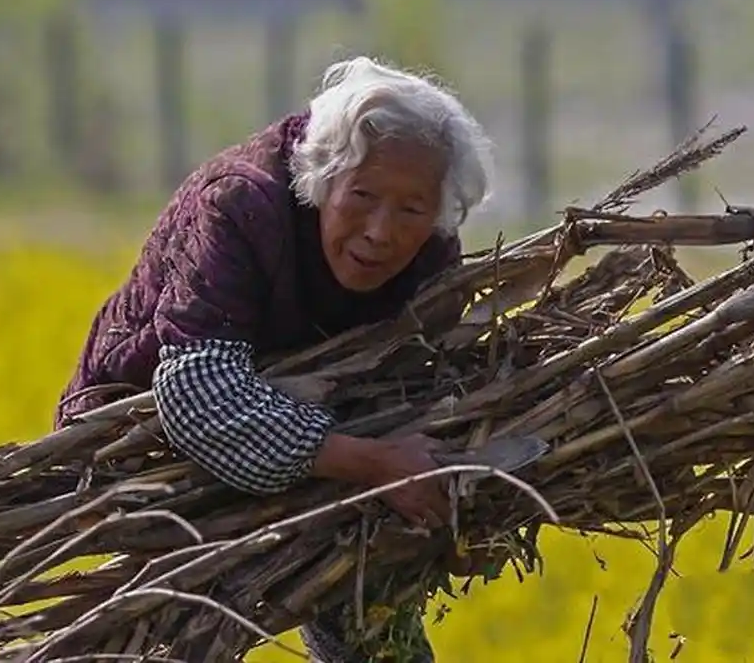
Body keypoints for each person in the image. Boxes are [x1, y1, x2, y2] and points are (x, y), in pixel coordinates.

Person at [54, 56, 494, 661]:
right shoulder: (242, 205)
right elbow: (196, 394)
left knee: (374, 626)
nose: (380, 232)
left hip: (323, 448)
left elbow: (429, 380)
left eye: (410, 211)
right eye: (361, 197)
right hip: (149, 461)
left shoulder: (432, 250)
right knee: (165, 634)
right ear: (323, 180)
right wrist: (373, 463)